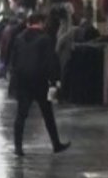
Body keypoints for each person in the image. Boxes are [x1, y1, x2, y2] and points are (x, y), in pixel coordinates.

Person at [10, 12, 70, 157]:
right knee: (47, 114)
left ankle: (18, 147)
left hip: (23, 82)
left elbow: (14, 60)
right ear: (41, 23)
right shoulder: (45, 39)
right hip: (39, 81)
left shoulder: (19, 38)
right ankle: (56, 144)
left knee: (21, 115)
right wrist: (55, 81)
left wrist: (14, 80)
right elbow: (51, 62)